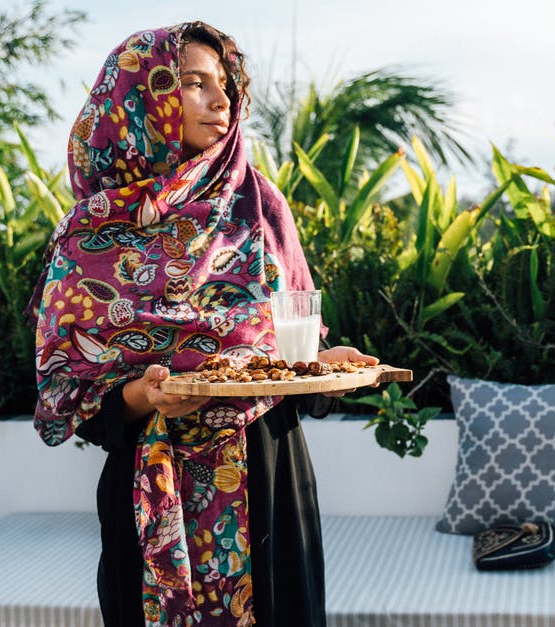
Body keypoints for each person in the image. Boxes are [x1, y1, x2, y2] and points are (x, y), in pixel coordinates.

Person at [28, 21, 374, 627]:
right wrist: (144, 396)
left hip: (267, 477)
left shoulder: (258, 203)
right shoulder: (88, 237)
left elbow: (291, 350)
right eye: (193, 84)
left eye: (225, 86)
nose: (221, 102)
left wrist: (321, 366)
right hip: (149, 488)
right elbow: (74, 402)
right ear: (139, 101)